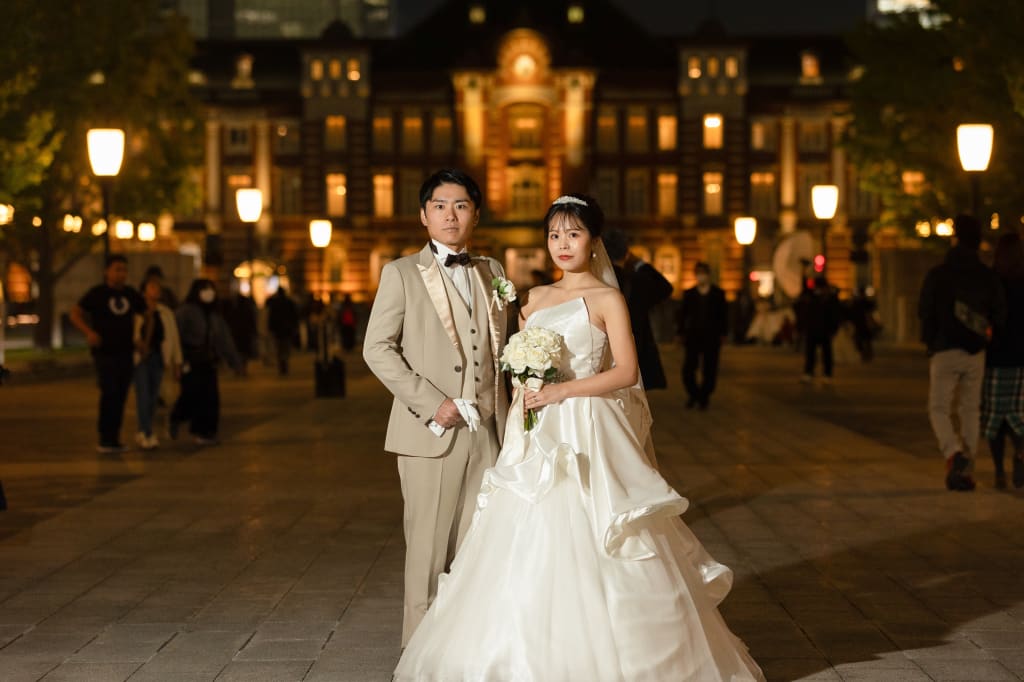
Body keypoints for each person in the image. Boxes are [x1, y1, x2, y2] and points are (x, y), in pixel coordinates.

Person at [394, 193, 763, 681]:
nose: (562, 244)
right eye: (553, 235)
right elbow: (507, 359)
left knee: (602, 534)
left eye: (573, 234)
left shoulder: (609, 298)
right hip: (538, 433)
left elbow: (627, 371)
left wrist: (562, 390)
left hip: (588, 427)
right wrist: (524, 386)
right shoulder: (531, 299)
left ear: (594, 241)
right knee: (526, 537)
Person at [363, 168, 511, 646]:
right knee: (426, 550)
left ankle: (463, 651)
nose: (452, 215)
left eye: (462, 205)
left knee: (476, 549)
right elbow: (377, 348)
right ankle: (417, 655)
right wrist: (433, 404)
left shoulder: (493, 272)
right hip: (431, 434)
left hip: (489, 433)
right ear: (424, 215)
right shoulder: (401, 272)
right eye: (441, 206)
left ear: (476, 214)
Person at [919, 214, 1007, 491]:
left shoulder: (939, 274)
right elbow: (1000, 313)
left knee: (938, 407)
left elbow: (924, 311)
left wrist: (930, 342)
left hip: (944, 348)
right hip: (975, 351)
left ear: (955, 237)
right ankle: (966, 468)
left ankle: (953, 453)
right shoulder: (987, 275)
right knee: (971, 409)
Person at [70, 255, 146, 453]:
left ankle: (114, 437)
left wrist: (140, 338)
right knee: (109, 392)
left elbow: (145, 313)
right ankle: (105, 437)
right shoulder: (98, 293)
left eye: (124, 270)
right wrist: (89, 332)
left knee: (121, 394)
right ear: (107, 271)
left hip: (126, 352)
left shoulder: (130, 294)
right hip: (105, 352)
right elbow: (75, 313)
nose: (121, 273)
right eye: (117, 269)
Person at [169, 279, 244, 445]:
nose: (208, 293)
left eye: (211, 289)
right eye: (205, 289)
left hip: (209, 361)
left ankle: (206, 431)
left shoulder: (214, 315)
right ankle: (178, 417)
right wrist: (177, 360)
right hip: (191, 361)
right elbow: (175, 336)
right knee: (192, 394)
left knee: (210, 397)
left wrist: (234, 361)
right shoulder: (185, 311)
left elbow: (225, 340)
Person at [604, 227, 674, 389]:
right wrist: (640, 263)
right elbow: (665, 288)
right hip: (636, 349)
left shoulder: (596, 281)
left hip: (605, 353)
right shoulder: (638, 280)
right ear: (627, 253)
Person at [981, 232, 1024, 489]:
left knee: (996, 415)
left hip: (996, 355)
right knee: (1020, 414)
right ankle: (1020, 454)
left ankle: (998, 470)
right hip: (1022, 357)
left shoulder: (992, 280)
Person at [132, 270, 182, 450]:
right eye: (151, 287)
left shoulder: (165, 312)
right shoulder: (137, 311)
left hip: (159, 358)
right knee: (143, 395)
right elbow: (134, 334)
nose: (155, 290)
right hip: (141, 358)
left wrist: (177, 362)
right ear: (144, 290)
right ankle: (145, 431)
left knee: (154, 396)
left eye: (157, 287)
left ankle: (146, 429)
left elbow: (173, 338)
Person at [677, 261, 728, 409]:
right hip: (693, 336)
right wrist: (680, 333)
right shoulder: (689, 294)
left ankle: (704, 395)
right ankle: (694, 394)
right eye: (698, 273)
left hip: (712, 337)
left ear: (708, 274)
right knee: (689, 368)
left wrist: (723, 333)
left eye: (703, 273)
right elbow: (683, 316)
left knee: (710, 368)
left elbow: (723, 316)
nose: (701, 276)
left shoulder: (718, 294)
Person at [796, 275, 842, 383]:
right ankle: (810, 373)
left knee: (826, 353)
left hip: (824, 329)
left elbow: (835, 314)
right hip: (814, 329)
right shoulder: (813, 297)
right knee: (811, 353)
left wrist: (833, 329)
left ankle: (826, 374)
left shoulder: (830, 297)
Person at [222, 289, 259, 368]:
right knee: (244, 350)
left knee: (239, 350)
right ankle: (242, 366)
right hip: (245, 333)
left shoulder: (234, 309)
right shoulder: (246, 310)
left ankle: (239, 367)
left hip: (237, 332)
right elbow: (251, 321)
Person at [266, 286, 299, 375]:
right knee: (286, 347)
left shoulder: (275, 303)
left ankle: (282, 364)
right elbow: (294, 316)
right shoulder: (289, 302)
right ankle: (284, 362)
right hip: (287, 329)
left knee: (279, 348)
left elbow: (271, 317)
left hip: (278, 330)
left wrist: (271, 328)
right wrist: (295, 327)